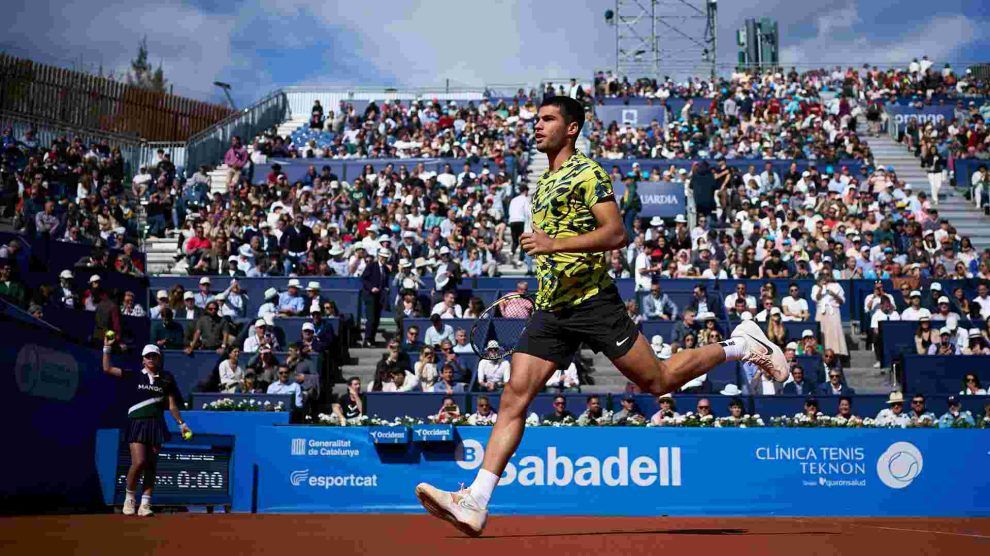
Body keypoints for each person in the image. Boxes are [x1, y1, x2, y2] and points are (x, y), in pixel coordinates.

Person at [415, 96, 788, 536]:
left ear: (571, 128)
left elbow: (616, 233)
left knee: (659, 382)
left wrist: (554, 246)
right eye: (537, 119)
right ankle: (476, 499)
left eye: (548, 119)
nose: (538, 126)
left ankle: (741, 345)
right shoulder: (542, 183)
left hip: (594, 303)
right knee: (515, 396)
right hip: (552, 308)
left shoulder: (587, 172)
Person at [102, 340, 191, 517]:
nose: (151, 359)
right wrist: (107, 348)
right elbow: (107, 369)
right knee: (139, 462)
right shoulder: (134, 375)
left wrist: (182, 424)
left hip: (156, 424)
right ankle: (129, 499)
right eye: (148, 356)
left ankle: (145, 504)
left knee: (151, 465)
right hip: (137, 422)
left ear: (159, 359)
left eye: (154, 356)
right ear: (143, 360)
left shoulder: (167, 378)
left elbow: (172, 405)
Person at [361, 248, 391, 346]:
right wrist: (371, 288)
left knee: (377, 318)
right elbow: (364, 279)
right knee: (371, 318)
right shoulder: (371, 266)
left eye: (386, 257)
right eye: (382, 257)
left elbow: (385, 282)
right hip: (370, 296)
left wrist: (386, 288)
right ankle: (367, 339)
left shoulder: (386, 269)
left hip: (380, 296)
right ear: (379, 256)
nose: (384, 259)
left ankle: (372, 339)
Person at [812, 274, 847, 356]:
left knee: (834, 333)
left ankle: (836, 354)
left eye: (827, 274)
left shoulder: (837, 286)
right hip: (821, 311)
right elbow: (816, 298)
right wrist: (821, 288)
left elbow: (842, 301)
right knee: (822, 332)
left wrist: (834, 294)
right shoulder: (816, 287)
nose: (825, 277)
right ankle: (822, 353)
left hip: (833, 311)